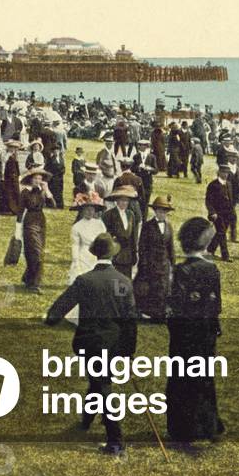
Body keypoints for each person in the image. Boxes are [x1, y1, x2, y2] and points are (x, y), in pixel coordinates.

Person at [44, 233, 137, 455]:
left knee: (102, 384)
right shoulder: (123, 282)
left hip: (90, 342)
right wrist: (128, 350)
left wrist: (52, 319)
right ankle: (86, 420)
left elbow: (61, 306)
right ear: (113, 255)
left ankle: (115, 440)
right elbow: (130, 320)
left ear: (96, 254)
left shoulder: (85, 281)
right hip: (114, 343)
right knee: (99, 380)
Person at [165, 217, 225, 448]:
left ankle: (183, 428)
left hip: (183, 335)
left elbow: (175, 305)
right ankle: (208, 425)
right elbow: (216, 306)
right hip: (206, 333)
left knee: (181, 381)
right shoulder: (212, 270)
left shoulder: (181, 271)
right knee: (204, 379)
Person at [133, 195, 175, 320]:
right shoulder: (148, 226)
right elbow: (142, 247)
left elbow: (170, 247)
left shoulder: (169, 226)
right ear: (155, 211)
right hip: (150, 264)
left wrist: (173, 263)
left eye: (164, 211)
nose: (162, 214)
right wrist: (144, 264)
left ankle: (160, 313)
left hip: (164, 264)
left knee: (162, 289)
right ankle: (147, 312)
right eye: (160, 211)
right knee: (149, 288)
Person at [16, 168, 53, 294]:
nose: (38, 181)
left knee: (37, 251)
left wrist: (47, 190)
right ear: (31, 180)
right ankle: (35, 284)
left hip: (41, 222)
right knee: (37, 253)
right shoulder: (25, 192)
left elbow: (53, 204)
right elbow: (20, 211)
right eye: (36, 178)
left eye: (40, 179)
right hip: (30, 223)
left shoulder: (42, 192)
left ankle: (28, 278)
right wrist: (17, 230)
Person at [66, 192, 107, 286]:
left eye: (92, 210)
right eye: (87, 210)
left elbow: (104, 238)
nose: (90, 212)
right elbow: (75, 244)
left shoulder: (99, 224)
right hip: (84, 253)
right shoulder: (77, 226)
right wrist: (75, 259)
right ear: (82, 211)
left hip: (97, 251)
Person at [103, 185, 141, 278]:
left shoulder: (130, 214)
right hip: (115, 254)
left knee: (126, 280)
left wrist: (134, 252)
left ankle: (123, 292)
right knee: (115, 279)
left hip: (127, 255)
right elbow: (106, 235)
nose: (124, 203)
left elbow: (133, 235)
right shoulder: (109, 215)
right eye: (122, 200)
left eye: (126, 200)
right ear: (117, 201)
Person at [205, 165, 234, 262]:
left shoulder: (229, 184)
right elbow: (208, 201)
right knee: (221, 232)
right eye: (223, 172)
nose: (225, 175)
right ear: (219, 173)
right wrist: (212, 212)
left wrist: (232, 211)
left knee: (220, 233)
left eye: (227, 173)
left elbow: (231, 199)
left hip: (228, 213)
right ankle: (225, 255)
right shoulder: (213, 185)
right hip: (218, 214)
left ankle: (210, 249)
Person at [0, 140, 22, 216]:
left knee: (16, 192)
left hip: (14, 176)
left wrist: (18, 175)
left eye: (15, 147)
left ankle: (17, 209)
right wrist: (2, 175)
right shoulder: (6, 155)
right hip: (8, 175)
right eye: (12, 147)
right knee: (9, 192)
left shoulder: (15, 155)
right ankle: (11, 209)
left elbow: (17, 166)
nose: (13, 149)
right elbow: (3, 163)